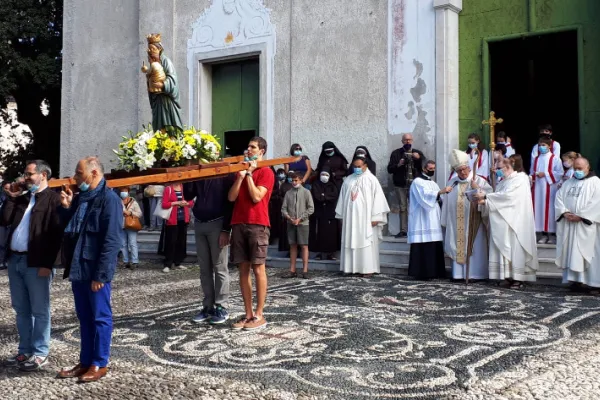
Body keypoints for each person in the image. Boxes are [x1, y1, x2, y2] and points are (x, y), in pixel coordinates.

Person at [57, 157, 122, 383]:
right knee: (84, 317)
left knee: (100, 317)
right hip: (78, 267)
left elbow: (111, 240)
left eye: (79, 173)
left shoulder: (109, 200)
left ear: (94, 173)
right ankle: (85, 361)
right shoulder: (82, 198)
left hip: (94, 270)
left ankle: (99, 363)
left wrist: (101, 275)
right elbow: (71, 230)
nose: (75, 178)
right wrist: (66, 208)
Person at [0, 161, 63, 372]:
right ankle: (25, 350)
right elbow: (5, 219)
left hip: (36, 262)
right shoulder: (24, 197)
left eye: (29, 174)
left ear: (43, 175)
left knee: (40, 309)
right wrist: (12, 196)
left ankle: (40, 352)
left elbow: (55, 235)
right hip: (15, 260)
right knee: (21, 309)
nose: (25, 178)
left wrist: (48, 264)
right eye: (25, 174)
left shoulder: (53, 200)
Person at [228, 137, 275, 330]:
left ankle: (259, 313)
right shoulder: (240, 172)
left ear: (262, 151)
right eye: (247, 146)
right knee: (243, 270)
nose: (248, 149)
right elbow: (231, 197)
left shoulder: (266, 172)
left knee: (258, 268)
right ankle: (247, 313)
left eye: (253, 147)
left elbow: (257, 197)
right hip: (239, 223)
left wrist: (249, 175)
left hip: (258, 223)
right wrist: (240, 177)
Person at [476, 157, 538, 288]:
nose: (497, 171)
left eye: (499, 168)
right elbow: (498, 198)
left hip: (516, 222)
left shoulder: (520, 179)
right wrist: (485, 202)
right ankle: (507, 276)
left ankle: (518, 278)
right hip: (503, 220)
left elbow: (508, 197)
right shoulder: (504, 181)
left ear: (509, 166)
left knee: (515, 248)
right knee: (505, 248)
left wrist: (486, 197)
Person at [184, 175, 234, 325]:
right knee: (204, 269)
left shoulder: (225, 175)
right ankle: (208, 306)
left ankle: (221, 306)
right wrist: (189, 175)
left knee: (219, 267)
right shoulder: (200, 173)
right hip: (200, 222)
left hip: (217, 223)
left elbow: (230, 202)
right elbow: (188, 195)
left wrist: (226, 229)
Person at [335, 153, 390, 277]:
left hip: (366, 219)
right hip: (350, 219)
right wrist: (343, 216)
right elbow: (343, 199)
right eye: (355, 166)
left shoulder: (372, 179)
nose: (357, 168)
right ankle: (349, 268)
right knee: (350, 240)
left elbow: (379, 199)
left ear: (365, 165)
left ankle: (367, 269)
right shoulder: (348, 180)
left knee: (366, 241)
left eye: (359, 166)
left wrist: (376, 217)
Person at [441, 150, 493, 281]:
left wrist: (477, 190)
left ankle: (476, 274)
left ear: (469, 167)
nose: (463, 173)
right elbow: (446, 203)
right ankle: (458, 274)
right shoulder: (452, 183)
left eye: (464, 169)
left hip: (474, 222)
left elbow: (489, 197)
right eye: (459, 171)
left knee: (475, 246)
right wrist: (445, 219)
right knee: (457, 243)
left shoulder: (479, 180)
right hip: (456, 221)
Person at [555, 157, 600, 293]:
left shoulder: (596, 182)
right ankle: (575, 281)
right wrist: (564, 212)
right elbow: (559, 198)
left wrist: (581, 216)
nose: (577, 171)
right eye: (575, 168)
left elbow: (597, 202)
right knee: (571, 252)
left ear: (587, 167)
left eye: (580, 168)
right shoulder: (568, 182)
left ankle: (594, 283)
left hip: (586, 226)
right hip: (570, 223)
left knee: (590, 253)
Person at [408, 160, 449, 280]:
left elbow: (439, 198)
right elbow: (424, 197)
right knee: (424, 244)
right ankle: (423, 272)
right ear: (424, 168)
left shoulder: (433, 183)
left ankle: (437, 271)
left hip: (433, 218)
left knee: (434, 243)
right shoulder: (417, 182)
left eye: (434, 169)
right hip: (422, 218)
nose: (432, 171)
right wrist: (440, 192)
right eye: (430, 169)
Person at [387, 133, 425, 238]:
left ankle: (415, 229)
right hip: (400, 184)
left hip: (415, 185)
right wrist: (399, 164)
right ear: (402, 141)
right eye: (405, 140)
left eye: (409, 140)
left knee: (415, 207)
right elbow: (390, 169)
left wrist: (418, 159)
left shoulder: (417, 153)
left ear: (412, 141)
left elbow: (424, 169)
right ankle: (404, 230)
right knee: (403, 207)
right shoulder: (396, 153)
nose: (407, 141)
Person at [530, 137, 563, 244]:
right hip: (538, 189)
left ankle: (552, 235)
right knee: (539, 210)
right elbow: (531, 171)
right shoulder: (536, 159)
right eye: (540, 145)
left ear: (549, 146)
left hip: (550, 188)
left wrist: (546, 174)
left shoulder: (555, 159)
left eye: (544, 145)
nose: (541, 147)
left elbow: (560, 173)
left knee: (549, 210)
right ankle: (543, 234)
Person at [281, 172, 314, 279]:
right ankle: (292, 270)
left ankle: (305, 270)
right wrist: (289, 218)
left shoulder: (306, 192)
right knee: (292, 245)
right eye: (292, 180)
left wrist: (300, 218)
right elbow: (283, 208)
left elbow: (311, 208)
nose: (294, 182)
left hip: (303, 223)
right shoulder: (288, 193)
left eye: (296, 180)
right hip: (291, 223)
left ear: (300, 180)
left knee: (304, 245)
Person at [309, 166, 342, 260]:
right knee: (318, 233)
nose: (324, 176)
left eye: (326, 175)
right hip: (318, 213)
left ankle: (330, 253)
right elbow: (316, 196)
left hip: (330, 213)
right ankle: (319, 253)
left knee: (330, 234)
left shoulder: (332, 185)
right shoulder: (316, 184)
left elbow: (334, 196)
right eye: (322, 174)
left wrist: (323, 195)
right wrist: (325, 196)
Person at [160, 183, 194, 272]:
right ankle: (167, 264)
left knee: (181, 241)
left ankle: (178, 262)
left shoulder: (184, 187)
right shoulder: (168, 188)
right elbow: (164, 204)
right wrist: (176, 203)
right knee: (171, 241)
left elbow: (191, 202)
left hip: (183, 219)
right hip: (172, 220)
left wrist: (186, 203)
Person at [119, 186, 142, 269]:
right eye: (122, 191)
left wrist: (130, 213)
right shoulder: (118, 202)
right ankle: (126, 261)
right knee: (123, 244)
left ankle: (135, 261)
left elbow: (139, 214)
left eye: (125, 191)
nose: (123, 193)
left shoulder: (134, 202)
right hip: (121, 225)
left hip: (131, 225)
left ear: (128, 192)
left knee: (132, 243)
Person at [276, 170, 295, 253]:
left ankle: (295, 251)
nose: (290, 179)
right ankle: (287, 250)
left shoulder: (296, 186)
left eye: (292, 177)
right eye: (289, 177)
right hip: (285, 211)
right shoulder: (284, 185)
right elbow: (279, 195)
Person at [268, 168, 286, 244]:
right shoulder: (274, 181)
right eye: (279, 173)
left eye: (282, 173)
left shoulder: (286, 183)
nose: (281, 175)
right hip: (274, 204)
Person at [0, 182, 11, 270]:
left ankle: (6, 261)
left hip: (10, 224)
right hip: (2, 224)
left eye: (9, 188)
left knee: (8, 244)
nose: (7, 190)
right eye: (6, 188)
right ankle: (1, 261)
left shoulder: (14, 197)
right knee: (2, 244)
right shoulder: (1, 198)